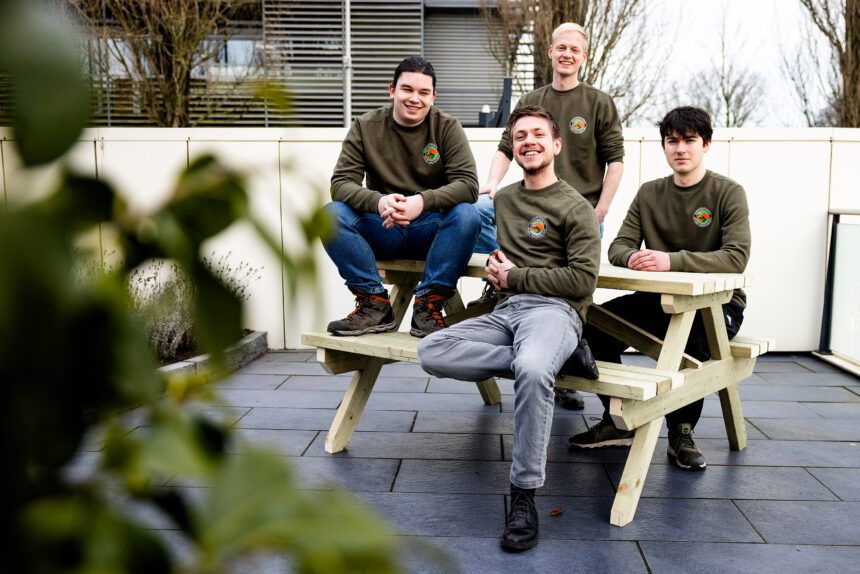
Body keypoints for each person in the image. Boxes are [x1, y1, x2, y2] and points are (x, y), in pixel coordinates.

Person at [419, 106, 600, 551]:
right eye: (520, 136)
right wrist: (496, 269)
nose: (528, 142)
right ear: (512, 148)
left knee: (536, 371)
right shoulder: (504, 200)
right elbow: (496, 250)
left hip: (553, 313)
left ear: (557, 144)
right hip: (506, 313)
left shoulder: (576, 208)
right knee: (432, 350)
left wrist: (515, 276)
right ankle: (546, 359)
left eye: (539, 134)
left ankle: (524, 495)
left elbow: (583, 280)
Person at [568, 106, 751, 471]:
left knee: (685, 347)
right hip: (657, 301)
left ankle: (681, 430)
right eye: (672, 141)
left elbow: (736, 257)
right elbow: (619, 246)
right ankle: (617, 421)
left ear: (706, 144)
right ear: (664, 147)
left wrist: (671, 260)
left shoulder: (728, 192)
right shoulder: (650, 193)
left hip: (717, 307)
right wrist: (634, 257)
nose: (680, 148)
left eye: (689, 141)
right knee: (591, 326)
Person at [472, 22, 625, 411]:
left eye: (575, 49)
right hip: (528, 210)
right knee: (471, 215)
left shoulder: (599, 102)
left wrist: (601, 209)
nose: (567, 54)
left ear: (583, 56)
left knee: (570, 289)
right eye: (561, 48)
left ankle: (560, 359)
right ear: (550, 53)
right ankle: (500, 293)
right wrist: (491, 184)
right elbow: (507, 147)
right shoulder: (532, 98)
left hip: (577, 213)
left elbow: (616, 162)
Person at [323, 56, 481, 338]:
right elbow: (341, 183)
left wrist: (420, 202)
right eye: (407, 89)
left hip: (431, 233)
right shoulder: (366, 126)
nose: (414, 99)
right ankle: (374, 302)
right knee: (330, 214)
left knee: (468, 214)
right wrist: (379, 202)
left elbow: (468, 185)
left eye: (423, 92)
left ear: (434, 97)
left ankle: (427, 306)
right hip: (383, 227)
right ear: (392, 90)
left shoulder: (447, 127)